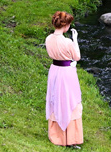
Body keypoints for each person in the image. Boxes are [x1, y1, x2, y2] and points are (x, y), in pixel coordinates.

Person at [45, 11, 83, 148]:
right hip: (67, 73)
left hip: (54, 71)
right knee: (69, 101)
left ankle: (57, 136)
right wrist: (75, 40)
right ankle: (71, 138)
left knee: (56, 99)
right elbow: (77, 57)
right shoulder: (67, 42)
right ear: (66, 25)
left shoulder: (48, 39)